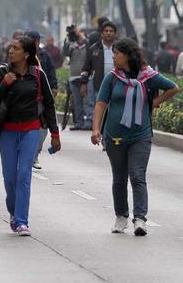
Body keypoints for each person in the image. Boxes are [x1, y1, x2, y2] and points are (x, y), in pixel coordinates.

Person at [91, 38, 179, 236]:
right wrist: (96, 129)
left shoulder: (148, 76)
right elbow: (100, 103)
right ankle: (121, 216)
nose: (113, 57)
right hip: (115, 136)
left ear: (128, 55)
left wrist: (155, 101)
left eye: (117, 53)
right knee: (119, 178)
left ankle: (140, 219)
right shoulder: (112, 78)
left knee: (138, 176)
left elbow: (173, 87)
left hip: (141, 135)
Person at [0, 36, 60, 237]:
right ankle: (13, 211)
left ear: (26, 54)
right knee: (10, 177)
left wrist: (54, 134)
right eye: (10, 48)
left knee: (24, 174)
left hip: (31, 130)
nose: (11, 51)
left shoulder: (38, 74)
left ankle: (22, 221)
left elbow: (50, 104)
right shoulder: (2, 72)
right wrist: (4, 85)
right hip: (8, 131)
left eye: (15, 48)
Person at [26, 30, 58, 170]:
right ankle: (25, 155)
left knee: (42, 129)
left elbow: (51, 71)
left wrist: (54, 86)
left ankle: (35, 155)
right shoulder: (21, 55)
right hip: (25, 101)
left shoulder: (44, 55)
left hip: (42, 99)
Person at [64, 26, 93, 130]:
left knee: (88, 101)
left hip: (85, 76)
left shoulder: (87, 44)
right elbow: (65, 54)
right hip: (73, 76)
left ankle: (89, 122)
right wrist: (68, 40)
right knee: (77, 102)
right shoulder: (71, 44)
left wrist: (81, 36)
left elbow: (90, 47)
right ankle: (79, 123)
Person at [81, 20, 118, 100]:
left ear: (115, 33)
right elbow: (86, 68)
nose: (108, 33)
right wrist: (83, 83)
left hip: (116, 86)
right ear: (102, 33)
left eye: (111, 31)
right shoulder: (93, 49)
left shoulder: (120, 49)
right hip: (98, 86)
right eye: (106, 31)